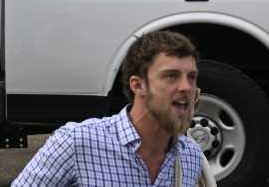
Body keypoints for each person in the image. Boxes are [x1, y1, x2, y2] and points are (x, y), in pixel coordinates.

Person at [11, 30, 206, 187]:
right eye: (171, 76)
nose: (186, 87)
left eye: (191, 77)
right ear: (138, 85)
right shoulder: (76, 141)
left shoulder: (190, 155)